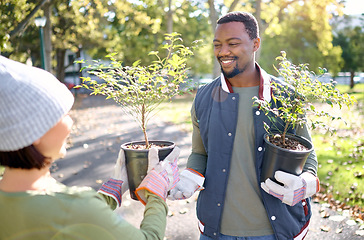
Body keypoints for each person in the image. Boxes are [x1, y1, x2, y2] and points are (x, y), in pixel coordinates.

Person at [168, 11, 320, 240]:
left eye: (233, 43)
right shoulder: (203, 97)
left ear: (255, 43)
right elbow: (200, 153)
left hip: (274, 232)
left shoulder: (286, 98)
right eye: (217, 44)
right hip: (215, 231)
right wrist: (190, 177)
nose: (223, 51)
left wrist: (305, 184)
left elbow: (308, 155)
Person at [0, 55, 179, 240]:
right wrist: (157, 194)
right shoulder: (75, 207)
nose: (70, 121)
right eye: (62, 114)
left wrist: (110, 194)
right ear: (33, 131)